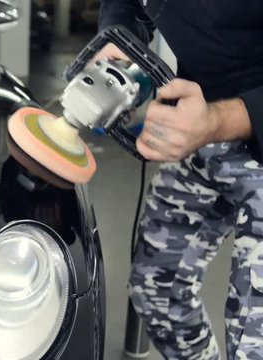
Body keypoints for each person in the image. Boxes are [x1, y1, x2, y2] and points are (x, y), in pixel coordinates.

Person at [95, 1, 263, 359]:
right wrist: (119, 37)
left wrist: (216, 120)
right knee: (158, 291)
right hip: (205, 125)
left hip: (231, 119)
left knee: (253, 341)